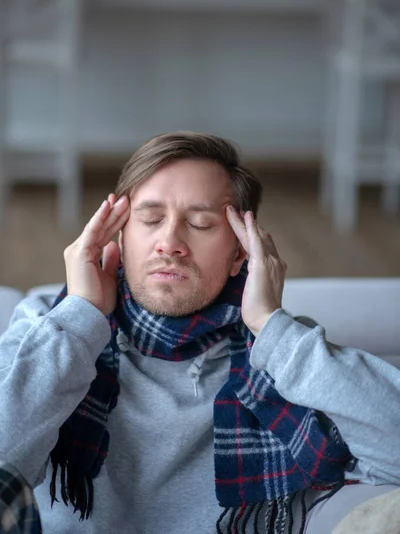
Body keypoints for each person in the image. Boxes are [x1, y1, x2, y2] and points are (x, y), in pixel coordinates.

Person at [0, 131, 399, 534]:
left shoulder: (287, 353)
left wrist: (272, 329)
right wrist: (80, 321)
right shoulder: (50, 326)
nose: (169, 242)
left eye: (200, 223)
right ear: (117, 235)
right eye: (151, 219)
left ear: (241, 253)